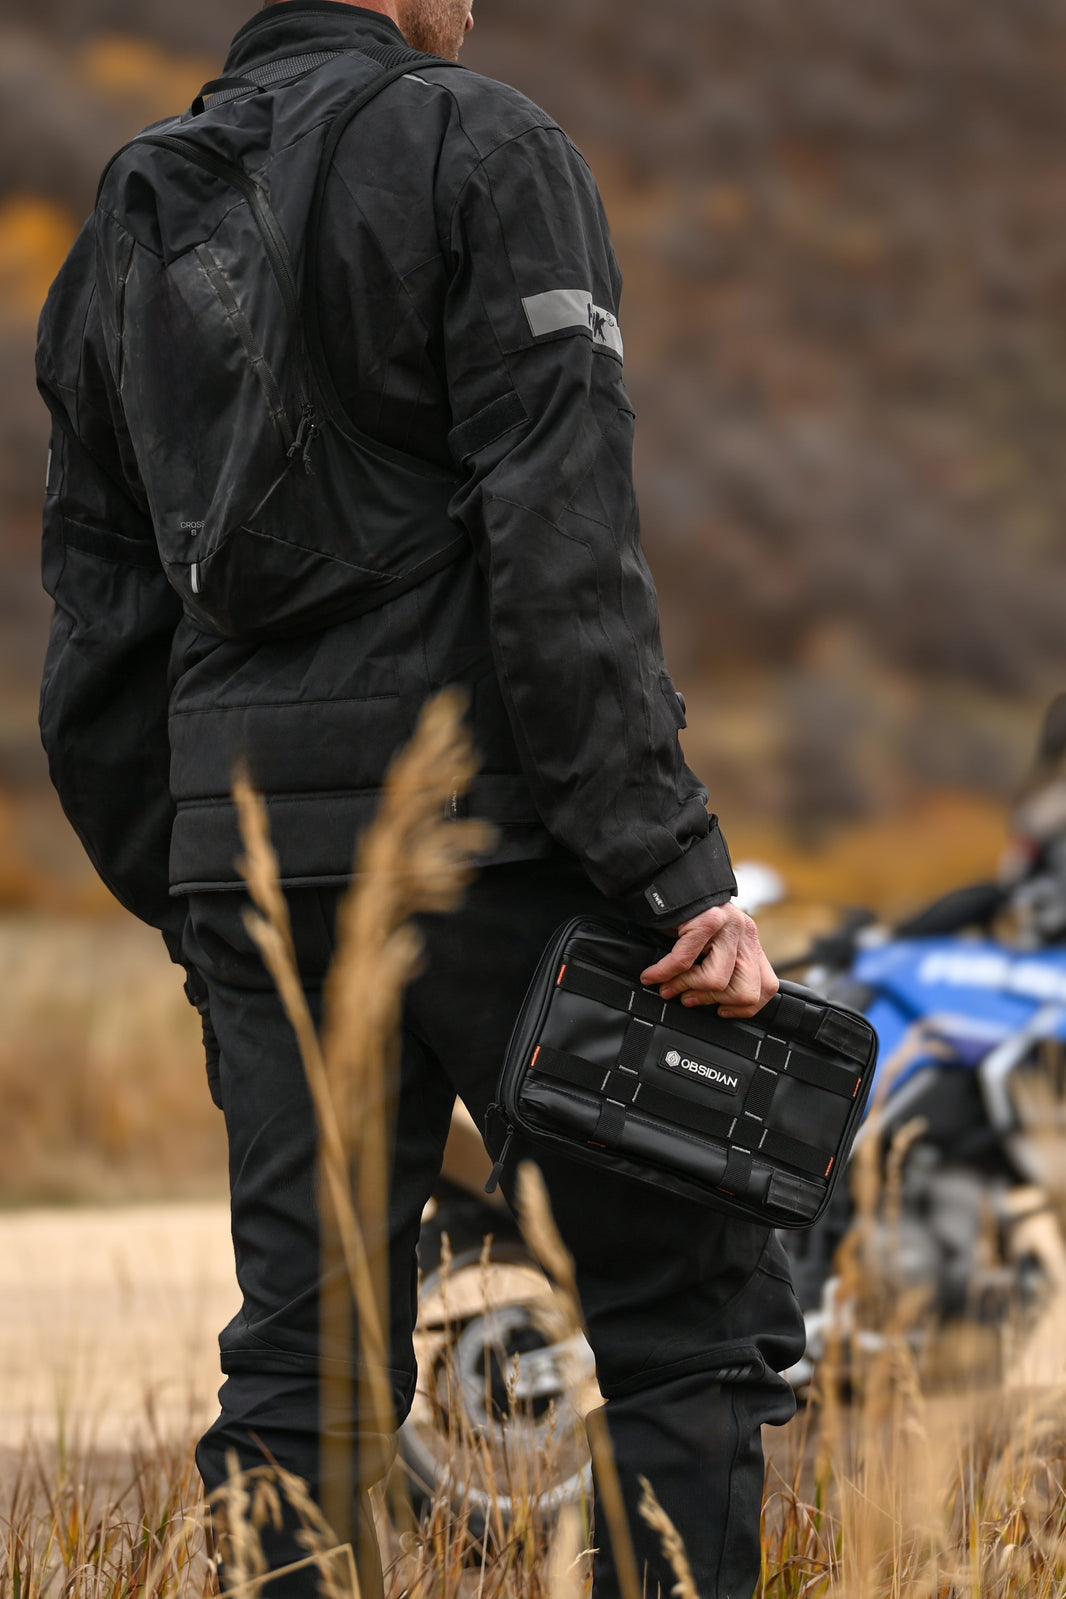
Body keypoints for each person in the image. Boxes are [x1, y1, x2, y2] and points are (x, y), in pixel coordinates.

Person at [36, 1, 805, 1594]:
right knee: (685, 1327)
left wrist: (204, 892)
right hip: (499, 847)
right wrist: (671, 870)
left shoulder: (132, 206)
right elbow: (562, 541)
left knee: (301, 1364)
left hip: (255, 863)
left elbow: (101, 617)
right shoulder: (486, 145)